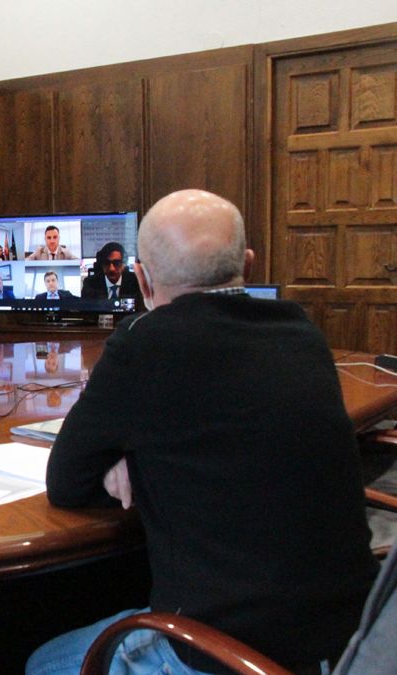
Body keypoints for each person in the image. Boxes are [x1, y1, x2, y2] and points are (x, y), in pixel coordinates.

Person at [26, 189, 378, 674]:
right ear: (248, 267)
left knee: (42, 662)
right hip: (350, 640)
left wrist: (128, 460)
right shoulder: (302, 335)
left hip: (224, 653)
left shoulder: (145, 347)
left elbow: (65, 485)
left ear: (142, 279)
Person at [81, 241, 141, 305]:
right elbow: (87, 310)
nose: (111, 269)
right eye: (106, 263)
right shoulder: (90, 284)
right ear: (101, 264)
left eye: (116, 263)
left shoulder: (135, 282)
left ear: (124, 264)